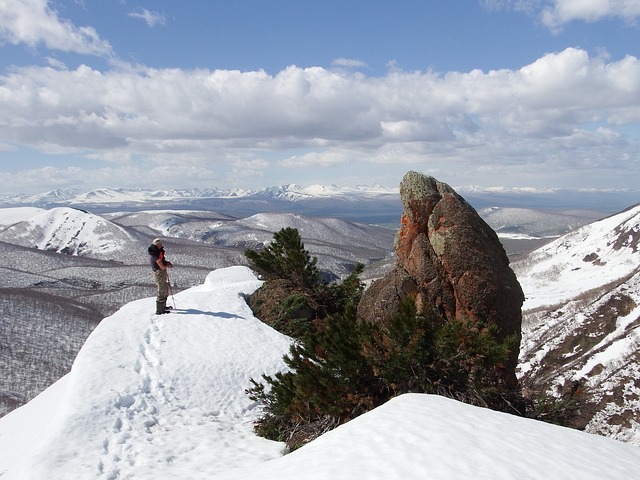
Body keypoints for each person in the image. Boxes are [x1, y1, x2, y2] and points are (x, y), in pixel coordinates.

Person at [148, 238, 173, 314]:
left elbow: (162, 262)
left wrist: (166, 263)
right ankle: (160, 310)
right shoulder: (155, 256)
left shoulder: (157, 253)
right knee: (161, 289)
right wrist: (167, 265)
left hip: (161, 273)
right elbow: (161, 266)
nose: (162, 245)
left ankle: (163, 307)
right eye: (160, 244)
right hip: (159, 273)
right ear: (157, 244)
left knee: (164, 288)